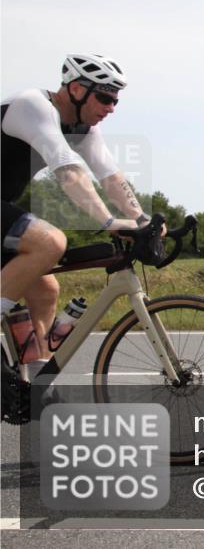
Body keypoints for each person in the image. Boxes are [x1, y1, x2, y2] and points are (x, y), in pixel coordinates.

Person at [1, 54, 150, 378]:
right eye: (105, 97)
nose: (111, 107)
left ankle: (32, 391)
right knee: (49, 242)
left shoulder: (83, 129)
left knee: (45, 291)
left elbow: (110, 177)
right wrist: (108, 222)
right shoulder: (33, 105)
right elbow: (69, 171)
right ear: (77, 89)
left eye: (116, 100)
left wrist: (142, 220)